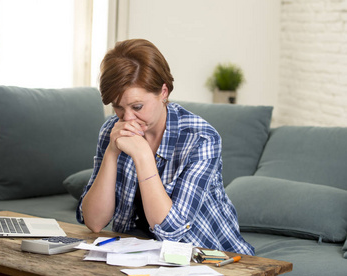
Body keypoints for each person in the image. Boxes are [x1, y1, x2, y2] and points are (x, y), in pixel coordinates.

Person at [76, 39, 254, 256]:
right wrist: (112, 153)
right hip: (139, 256)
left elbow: (171, 231)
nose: (127, 118)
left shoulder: (201, 139)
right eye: (118, 107)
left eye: (137, 106)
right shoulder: (113, 130)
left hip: (205, 257)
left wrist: (143, 157)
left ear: (163, 92)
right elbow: (93, 222)